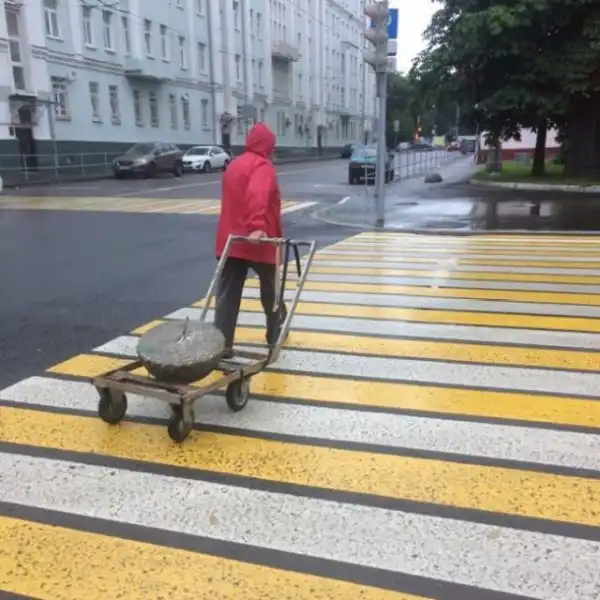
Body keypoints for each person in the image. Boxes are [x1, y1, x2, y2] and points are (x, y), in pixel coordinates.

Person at [214, 122, 287, 357]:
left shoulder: (234, 165)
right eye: (272, 148)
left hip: (232, 241)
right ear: (268, 147)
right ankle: (274, 335)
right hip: (259, 243)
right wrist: (257, 227)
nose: (273, 152)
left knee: (227, 293)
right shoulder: (263, 166)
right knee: (271, 290)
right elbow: (257, 194)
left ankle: (222, 344)